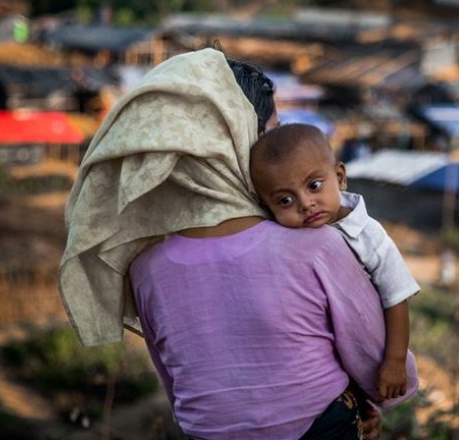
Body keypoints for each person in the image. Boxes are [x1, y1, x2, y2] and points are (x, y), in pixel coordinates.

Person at [59, 48, 415, 438]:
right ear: (230, 139)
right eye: (268, 135)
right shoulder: (315, 245)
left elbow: (177, 382)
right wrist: (381, 394)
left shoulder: (146, 268)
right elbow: (373, 358)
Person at [249, 124, 420, 400]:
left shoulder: (368, 235)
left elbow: (397, 297)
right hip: (317, 361)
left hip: (369, 354)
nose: (305, 204)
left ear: (340, 177)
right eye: (285, 200)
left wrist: (395, 361)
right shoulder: (281, 241)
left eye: (314, 186)